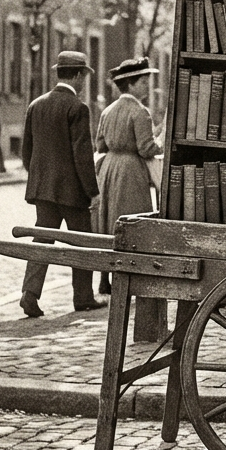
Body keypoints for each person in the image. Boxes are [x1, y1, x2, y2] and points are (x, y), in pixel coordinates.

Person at [20, 51, 105, 317]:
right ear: (78, 75)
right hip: (72, 192)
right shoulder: (77, 108)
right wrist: (92, 191)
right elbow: (82, 156)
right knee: (82, 242)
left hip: (43, 189)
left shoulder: (36, 104)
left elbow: (27, 151)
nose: (84, 82)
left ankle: (29, 294)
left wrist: (39, 177)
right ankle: (83, 297)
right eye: (84, 76)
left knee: (42, 240)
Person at [93, 57, 163, 296]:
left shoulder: (108, 111)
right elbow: (145, 148)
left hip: (109, 169)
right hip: (131, 170)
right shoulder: (140, 112)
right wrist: (160, 144)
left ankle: (104, 278)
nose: (147, 87)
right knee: (132, 221)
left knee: (108, 220)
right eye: (143, 82)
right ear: (131, 85)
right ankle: (130, 278)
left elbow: (100, 145)